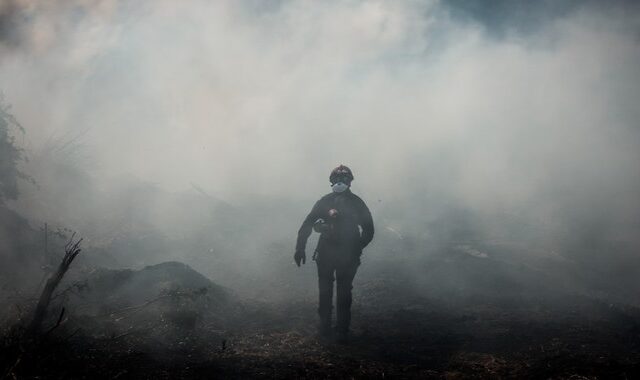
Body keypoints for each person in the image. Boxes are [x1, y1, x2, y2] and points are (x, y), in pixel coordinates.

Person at [294, 165, 374, 343]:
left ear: (350, 182)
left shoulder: (356, 203)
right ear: (331, 181)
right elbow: (307, 225)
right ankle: (325, 328)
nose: (339, 183)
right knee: (326, 291)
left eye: (343, 180)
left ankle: (341, 330)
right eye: (336, 179)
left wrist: (357, 247)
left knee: (343, 292)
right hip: (327, 253)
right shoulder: (325, 201)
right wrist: (300, 248)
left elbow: (369, 229)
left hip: (346, 254)